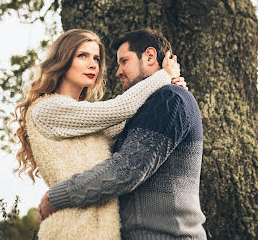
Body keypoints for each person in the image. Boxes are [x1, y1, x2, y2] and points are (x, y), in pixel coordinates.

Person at [38, 29, 207, 239]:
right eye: (83, 56)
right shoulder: (149, 107)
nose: (117, 72)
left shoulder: (170, 99)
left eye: (124, 61)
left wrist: (57, 197)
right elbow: (112, 118)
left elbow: (126, 170)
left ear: (150, 56)